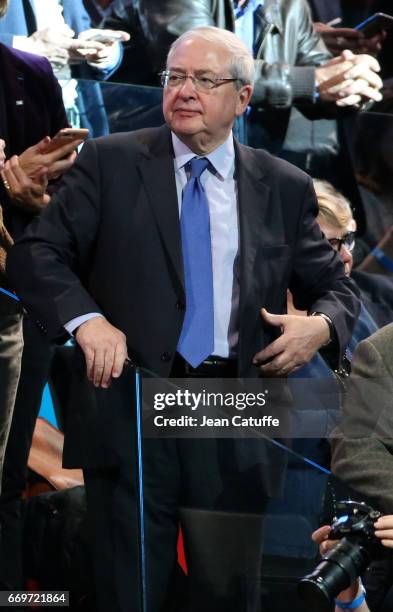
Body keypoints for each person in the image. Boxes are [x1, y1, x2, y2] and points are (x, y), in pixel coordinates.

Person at [7, 26, 360, 611]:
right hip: (130, 402)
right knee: (131, 591)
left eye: (204, 79)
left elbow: (337, 288)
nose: (185, 90)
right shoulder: (109, 162)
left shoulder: (283, 185)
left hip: (233, 408)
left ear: (243, 98)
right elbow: (37, 253)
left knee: (227, 592)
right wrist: (87, 320)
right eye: (174, 77)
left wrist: (318, 326)